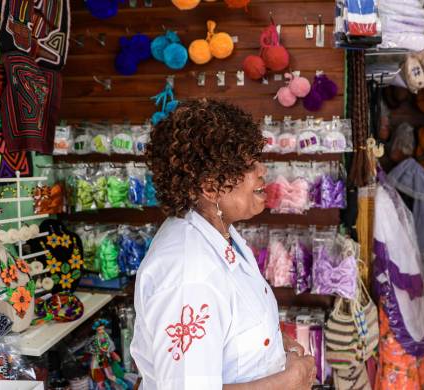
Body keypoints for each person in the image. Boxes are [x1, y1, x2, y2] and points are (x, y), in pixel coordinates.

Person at [130, 99, 316, 389]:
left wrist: (273, 344)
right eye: (247, 164)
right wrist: (288, 382)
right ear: (209, 186)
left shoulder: (221, 235)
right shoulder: (189, 275)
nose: (262, 170)